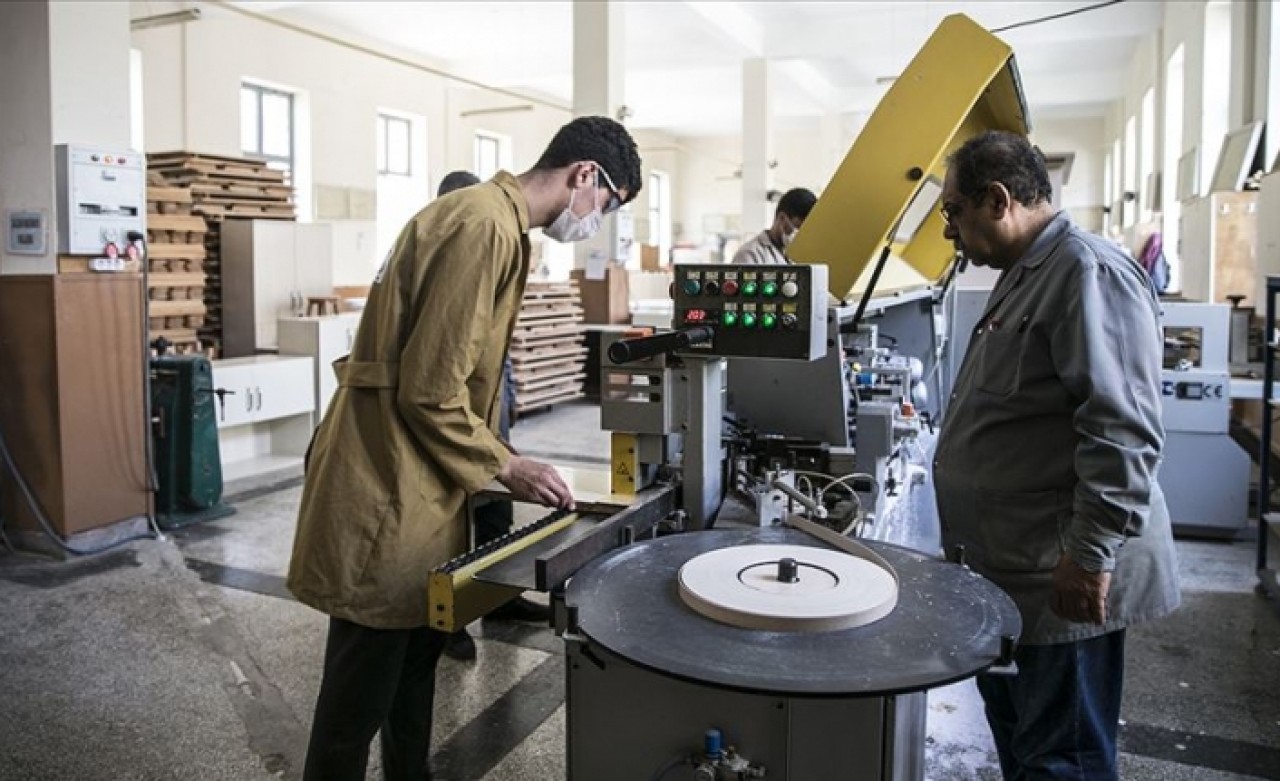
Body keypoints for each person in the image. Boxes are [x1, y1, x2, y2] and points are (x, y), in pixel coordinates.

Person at [288, 116, 642, 781]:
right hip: (388, 481)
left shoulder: (496, 224)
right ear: (584, 176)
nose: (599, 221)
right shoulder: (482, 225)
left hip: (424, 482)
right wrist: (507, 464)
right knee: (357, 698)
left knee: (413, 670)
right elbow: (429, 391)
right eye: (610, 204)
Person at [932, 130, 1179, 781]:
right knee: (1026, 745)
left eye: (952, 210)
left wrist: (1090, 555)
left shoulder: (1085, 271)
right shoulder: (1028, 275)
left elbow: (1122, 429)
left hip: (1060, 577)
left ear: (997, 199)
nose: (949, 231)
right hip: (1016, 569)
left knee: (1062, 758)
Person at [430, 170, 544, 663]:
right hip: (450, 415)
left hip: (488, 398)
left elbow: (493, 339)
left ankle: (500, 595)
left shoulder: (493, 236)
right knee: (450, 513)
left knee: (498, 504)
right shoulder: (445, 250)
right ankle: (447, 616)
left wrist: (508, 395)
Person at [730, 187, 816, 265]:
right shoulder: (750, 254)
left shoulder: (796, 255)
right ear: (782, 218)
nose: (800, 236)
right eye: (798, 228)